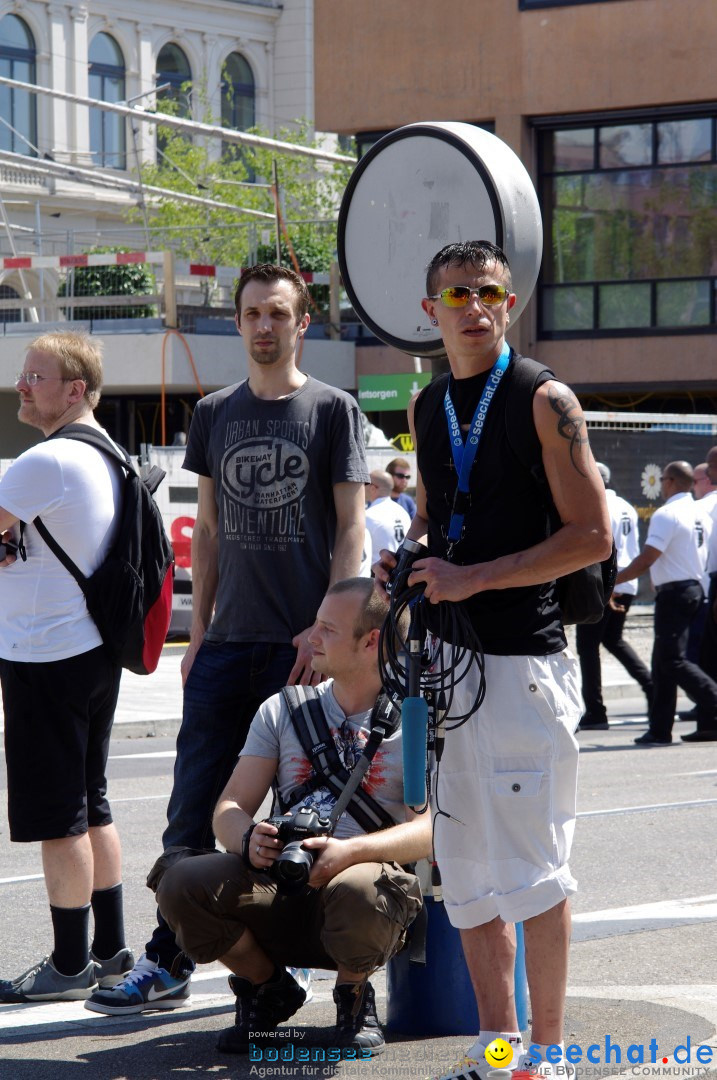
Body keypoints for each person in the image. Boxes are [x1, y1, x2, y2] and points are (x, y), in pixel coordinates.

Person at [86, 264, 369, 1014]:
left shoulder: (334, 410)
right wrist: (199, 633)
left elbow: (351, 531)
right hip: (228, 646)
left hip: (302, 649)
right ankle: (166, 960)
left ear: (301, 322)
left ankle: (297, 963)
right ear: (238, 323)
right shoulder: (213, 413)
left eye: (278, 313)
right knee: (191, 810)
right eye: (251, 314)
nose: (264, 325)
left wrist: (327, 630)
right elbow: (206, 531)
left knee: (303, 817)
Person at [374, 240, 611, 1080]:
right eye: (455, 294)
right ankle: (498, 1049)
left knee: (537, 872)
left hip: (522, 664)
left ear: (508, 305)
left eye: (487, 292)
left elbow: (592, 534)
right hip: (448, 669)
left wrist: (474, 577)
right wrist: (407, 556)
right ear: (431, 310)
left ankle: (543, 1057)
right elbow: (435, 517)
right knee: (466, 873)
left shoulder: (544, 398)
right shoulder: (425, 402)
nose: (473, 306)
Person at [153, 578, 430, 1055]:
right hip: (282, 882)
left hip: (364, 898)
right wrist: (247, 839)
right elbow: (228, 808)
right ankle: (267, 987)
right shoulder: (282, 709)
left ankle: (354, 994)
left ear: (371, 641)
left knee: (361, 886)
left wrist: (349, 853)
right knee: (180, 880)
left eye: (327, 628)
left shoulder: (414, 719)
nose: (309, 638)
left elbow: (434, 830)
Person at [0, 332, 133, 1002]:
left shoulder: (47, 460)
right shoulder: (104, 453)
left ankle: (68, 963)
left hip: (43, 655)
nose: (22, 386)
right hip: (89, 648)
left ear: (74, 390)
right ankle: (110, 949)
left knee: (60, 818)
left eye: (35, 377)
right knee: (92, 802)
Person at [616, 460, 717, 745]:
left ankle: (712, 698)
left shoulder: (667, 513)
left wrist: (614, 581)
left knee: (672, 660)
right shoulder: (699, 514)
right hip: (692, 588)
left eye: (662, 479)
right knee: (661, 662)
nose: (661, 484)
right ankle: (659, 729)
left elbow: (648, 557)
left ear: (670, 481)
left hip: (676, 594)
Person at [576, 462, 653, 730]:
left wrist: (605, 588)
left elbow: (603, 548)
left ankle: (596, 711)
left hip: (608, 583)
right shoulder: (627, 506)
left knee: (588, 648)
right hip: (626, 583)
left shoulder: (599, 505)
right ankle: (651, 686)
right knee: (613, 640)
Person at [365, 468, 411, 566]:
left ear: (373, 488)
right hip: (400, 572)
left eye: (366, 483)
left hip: (377, 575)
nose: (363, 487)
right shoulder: (403, 512)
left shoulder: (369, 516)